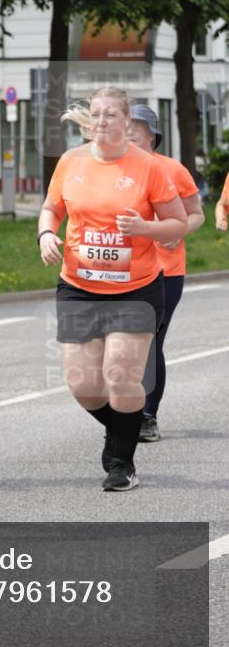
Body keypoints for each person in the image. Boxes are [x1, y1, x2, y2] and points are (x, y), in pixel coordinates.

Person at [38, 87, 187, 492]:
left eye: (111, 115)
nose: (102, 122)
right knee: (83, 384)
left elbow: (178, 223)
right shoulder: (71, 162)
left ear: (127, 123)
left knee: (120, 376)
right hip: (78, 286)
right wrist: (46, 234)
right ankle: (125, 426)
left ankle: (121, 462)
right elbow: (52, 209)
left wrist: (146, 229)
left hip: (135, 287)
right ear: (89, 122)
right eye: (97, 115)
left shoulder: (148, 167)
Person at [128, 105, 204, 442]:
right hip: (122, 270)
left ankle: (146, 416)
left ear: (153, 135)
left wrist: (180, 230)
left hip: (166, 269)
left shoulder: (172, 169)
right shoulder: (114, 170)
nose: (131, 132)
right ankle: (124, 409)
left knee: (151, 339)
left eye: (138, 127)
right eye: (127, 125)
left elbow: (196, 213)